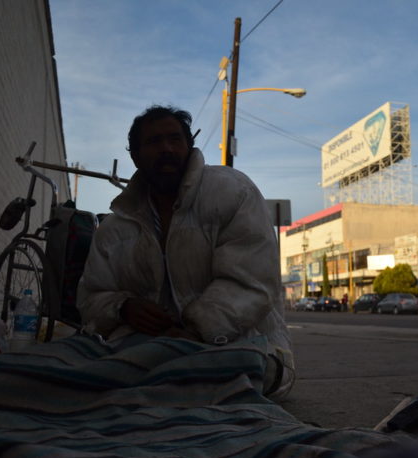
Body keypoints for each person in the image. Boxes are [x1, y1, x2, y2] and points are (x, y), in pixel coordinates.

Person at [77, 105, 294, 398]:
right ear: (135, 156)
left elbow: (251, 282)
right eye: (153, 142)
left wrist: (196, 330)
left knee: (217, 379)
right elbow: (91, 297)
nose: (166, 148)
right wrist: (124, 307)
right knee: (87, 373)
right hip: (146, 349)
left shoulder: (233, 191)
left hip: (239, 346)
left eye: (174, 139)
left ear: (189, 146)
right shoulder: (115, 227)